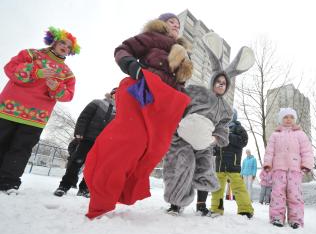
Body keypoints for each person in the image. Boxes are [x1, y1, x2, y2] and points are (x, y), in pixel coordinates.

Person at [83, 13, 193, 219]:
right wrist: (133, 68)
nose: (176, 25)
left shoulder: (183, 53)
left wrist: (182, 101)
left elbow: (180, 82)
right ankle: (101, 197)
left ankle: (121, 190)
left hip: (164, 102)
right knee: (127, 143)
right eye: (172, 22)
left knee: (153, 150)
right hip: (143, 91)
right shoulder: (152, 37)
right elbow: (122, 50)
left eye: (178, 24)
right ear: (162, 24)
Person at [162, 32, 254, 217]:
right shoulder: (196, 91)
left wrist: (214, 138)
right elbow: (179, 105)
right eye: (218, 81)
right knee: (182, 167)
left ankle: (202, 205)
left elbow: (222, 128)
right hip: (183, 139)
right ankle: (175, 204)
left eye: (224, 83)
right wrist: (176, 125)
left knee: (204, 171)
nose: (221, 84)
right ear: (212, 81)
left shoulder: (226, 109)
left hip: (204, 143)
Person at [0, 27, 79, 194]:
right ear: (54, 41)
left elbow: (68, 95)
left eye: (69, 46)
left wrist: (56, 87)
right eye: (63, 42)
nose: (66, 47)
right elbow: (10, 68)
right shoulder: (31, 54)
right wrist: (37, 72)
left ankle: (9, 183)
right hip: (8, 109)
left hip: (36, 117)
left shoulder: (67, 74)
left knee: (21, 149)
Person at [53, 88, 117, 198]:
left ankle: (84, 188)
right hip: (88, 138)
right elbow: (84, 117)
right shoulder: (97, 103)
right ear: (111, 94)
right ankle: (64, 186)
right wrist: (79, 132)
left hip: (104, 143)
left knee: (95, 167)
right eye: (117, 93)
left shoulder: (122, 110)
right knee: (76, 162)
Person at [263, 108, 314, 228]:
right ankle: (277, 217)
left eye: (291, 117)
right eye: (285, 117)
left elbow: (306, 151)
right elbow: (269, 151)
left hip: (295, 169)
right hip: (278, 169)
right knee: (277, 194)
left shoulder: (300, 134)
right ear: (281, 119)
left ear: (294, 119)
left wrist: (306, 165)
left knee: (295, 194)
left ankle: (296, 219)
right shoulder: (275, 135)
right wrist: (267, 164)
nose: (288, 119)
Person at [209, 109, 254, 218]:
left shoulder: (238, 128)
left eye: (229, 115)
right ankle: (216, 208)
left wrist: (228, 135)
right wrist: (213, 149)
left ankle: (245, 209)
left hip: (233, 164)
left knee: (238, 188)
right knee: (217, 188)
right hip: (220, 164)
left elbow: (243, 141)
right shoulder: (218, 129)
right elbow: (215, 145)